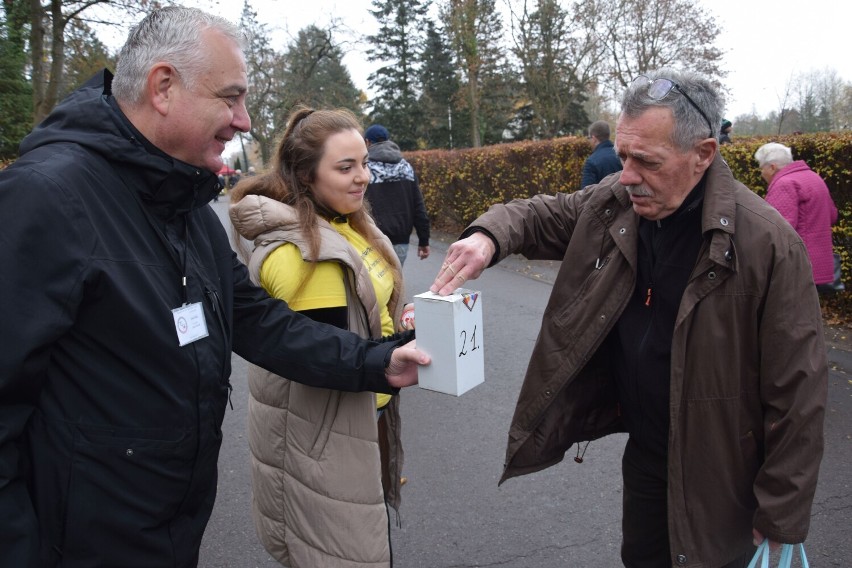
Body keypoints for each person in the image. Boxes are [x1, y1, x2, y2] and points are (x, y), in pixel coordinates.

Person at [0, 7, 429, 567]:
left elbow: (257, 320)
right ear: (163, 87)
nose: (245, 121)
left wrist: (377, 362)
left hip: (170, 532)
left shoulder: (188, 208)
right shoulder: (46, 199)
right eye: (231, 98)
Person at [431, 69, 826, 568]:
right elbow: (538, 215)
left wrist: (781, 512)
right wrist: (487, 236)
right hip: (646, 457)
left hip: (723, 475)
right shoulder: (614, 203)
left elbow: (798, 392)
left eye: (647, 161)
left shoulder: (767, 243)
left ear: (703, 153)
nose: (629, 175)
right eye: (622, 157)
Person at [229, 107, 409, 566]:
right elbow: (323, 355)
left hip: (355, 423)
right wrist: (396, 352)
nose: (363, 177)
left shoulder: (346, 227)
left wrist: (402, 325)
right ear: (307, 177)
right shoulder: (308, 256)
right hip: (325, 437)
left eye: (364, 163)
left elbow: (364, 324)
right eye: (345, 167)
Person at [755, 142, 839, 291]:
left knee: (790, 312)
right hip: (820, 261)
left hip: (797, 264)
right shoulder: (813, 177)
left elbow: (776, 229)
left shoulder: (784, 184)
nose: (761, 173)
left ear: (772, 167)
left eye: (762, 168)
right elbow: (832, 215)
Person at [363, 123, 430, 266]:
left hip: (372, 238)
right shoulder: (405, 167)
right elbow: (418, 205)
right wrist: (423, 240)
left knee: (376, 285)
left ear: (367, 142)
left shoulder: (365, 169)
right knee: (396, 283)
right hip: (401, 240)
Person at [580, 119, 623, 188]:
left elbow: (586, 194)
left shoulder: (592, 161)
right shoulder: (622, 156)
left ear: (594, 138)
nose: (589, 141)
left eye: (589, 138)